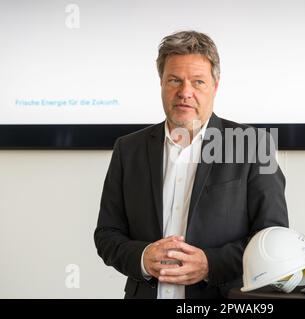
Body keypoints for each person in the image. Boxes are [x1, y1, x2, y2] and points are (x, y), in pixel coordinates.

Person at [94, 30, 289, 299]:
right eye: (174, 80)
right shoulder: (128, 149)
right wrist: (142, 257)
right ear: (161, 82)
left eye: (197, 82)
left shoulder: (254, 146)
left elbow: (273, 240)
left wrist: (211, 263)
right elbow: (107, 234)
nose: (185, 92)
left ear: (215, 86)